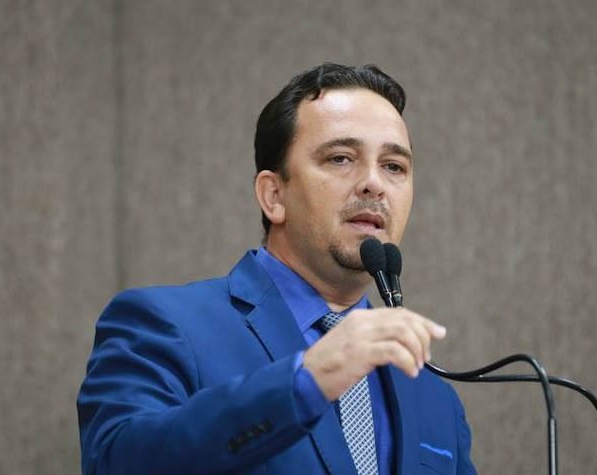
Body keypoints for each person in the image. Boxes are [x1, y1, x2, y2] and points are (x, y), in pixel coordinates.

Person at [78, 63, 476, 475]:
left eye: (394, 166)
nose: (374, 183)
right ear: (273, 195)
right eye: (341, 158)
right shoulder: (164, 326)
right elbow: (116, 462)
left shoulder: (435, 398)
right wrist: (307, 381)